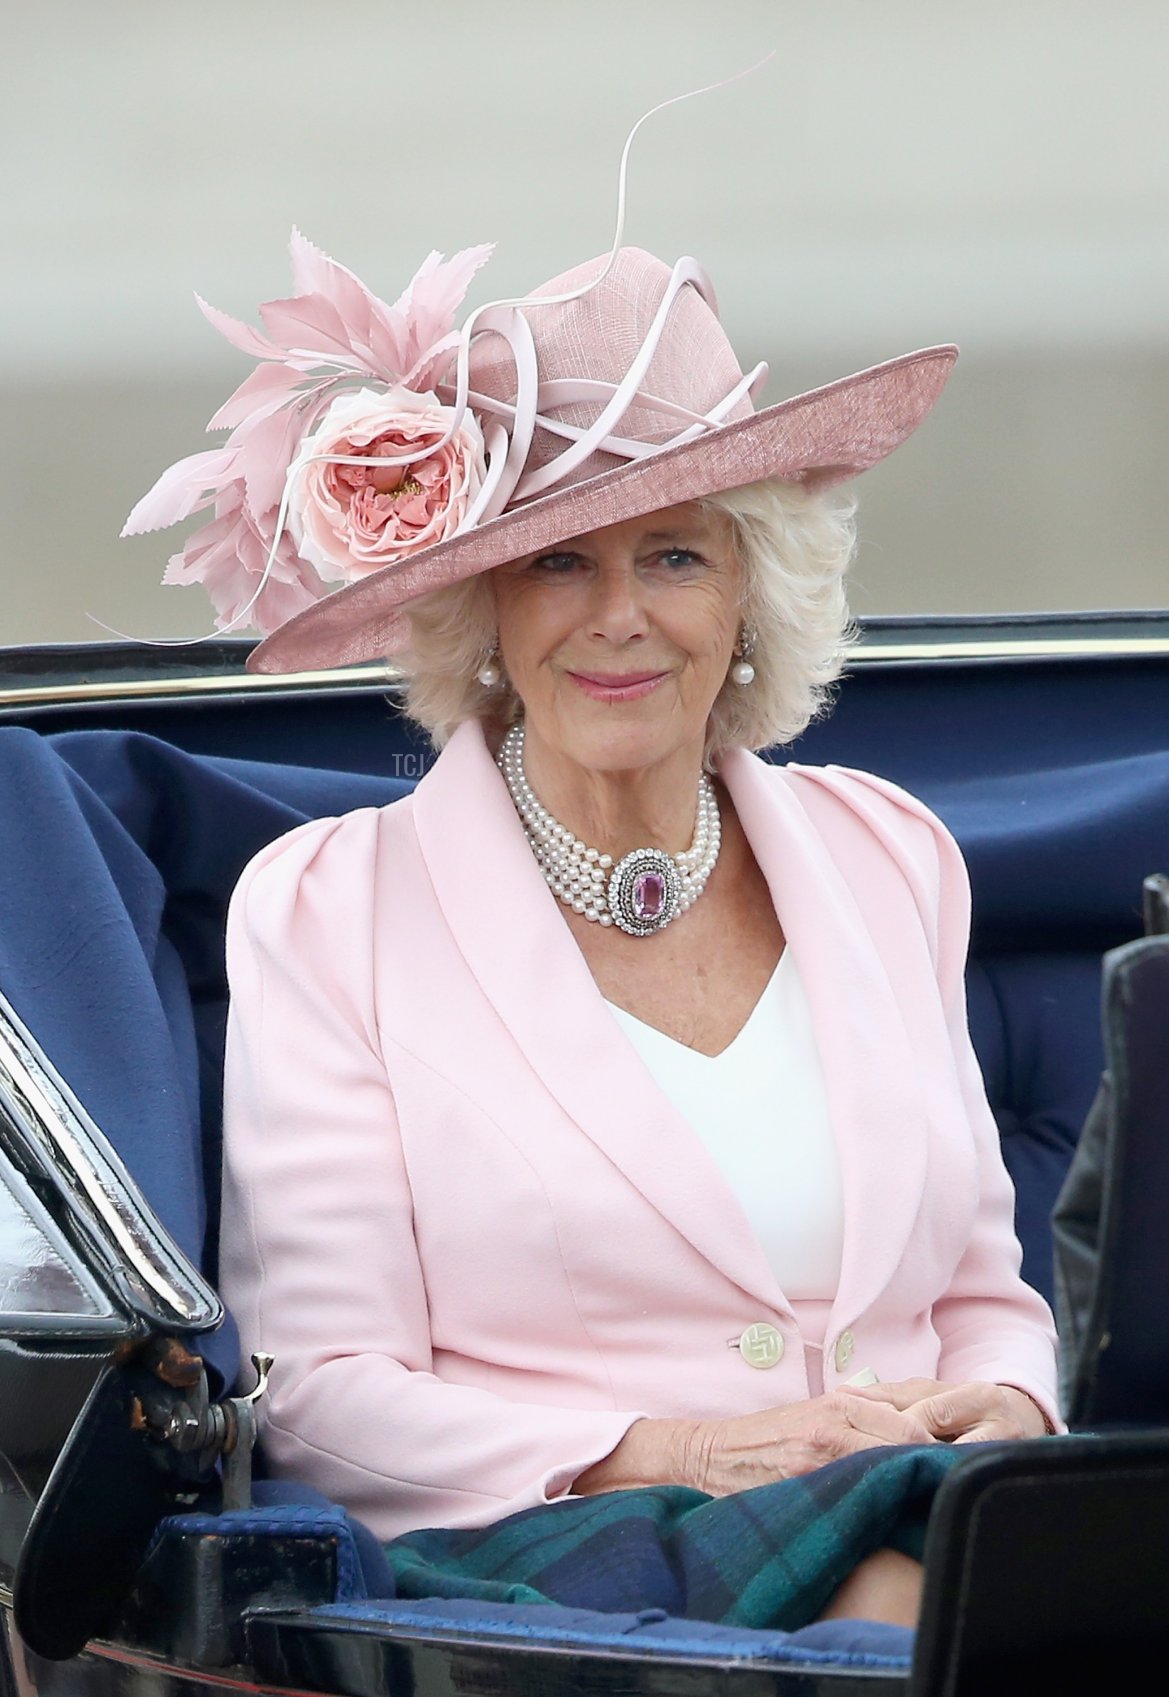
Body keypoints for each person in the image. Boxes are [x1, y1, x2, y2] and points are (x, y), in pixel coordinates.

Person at [127, 233, 1059, 1629]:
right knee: (900, 1595)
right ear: (485, 608)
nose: (620, 616)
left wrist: (1010, 1404)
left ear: (746, 595)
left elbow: (989, 1288)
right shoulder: (328, 912)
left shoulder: (889, 854)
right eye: (559, 560)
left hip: (932, 1524)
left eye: (675, 554)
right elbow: (320, 1392)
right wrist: (674, 1450)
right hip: (558, 1573)